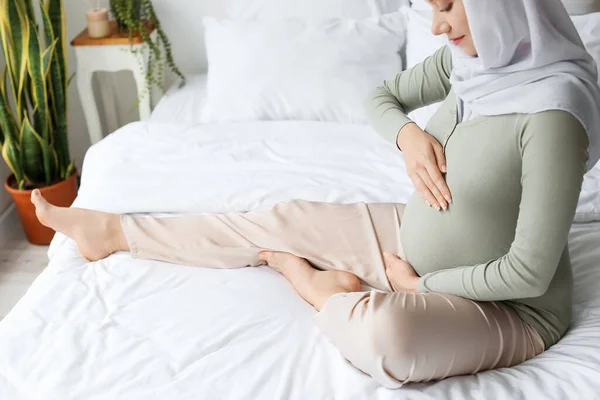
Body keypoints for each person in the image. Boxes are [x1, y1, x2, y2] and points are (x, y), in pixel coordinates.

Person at [30, 0, 600, 388]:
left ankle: (317, 287)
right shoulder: (470, 63)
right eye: (429, 8)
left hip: (504, 307)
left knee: (389, 336)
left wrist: (418, 286)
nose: (437, 26)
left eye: (449, 6)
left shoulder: (553, 114)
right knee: (281, 217)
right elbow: (381, 98)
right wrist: (407, 136)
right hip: (407, 233)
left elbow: (527, 273)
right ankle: (114, 232)